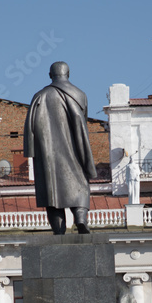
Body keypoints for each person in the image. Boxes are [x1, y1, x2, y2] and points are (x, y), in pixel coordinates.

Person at [23, 61, 97, 235]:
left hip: (47, 155)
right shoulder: (80, 95)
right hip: (74, 151)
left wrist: (30, 152)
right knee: (80, 185)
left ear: (50, 75)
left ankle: (59, 230)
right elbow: (82, 125)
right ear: (68, 74)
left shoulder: (39, 96)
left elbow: (29, 128)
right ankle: (80, 218)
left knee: (51, 194)